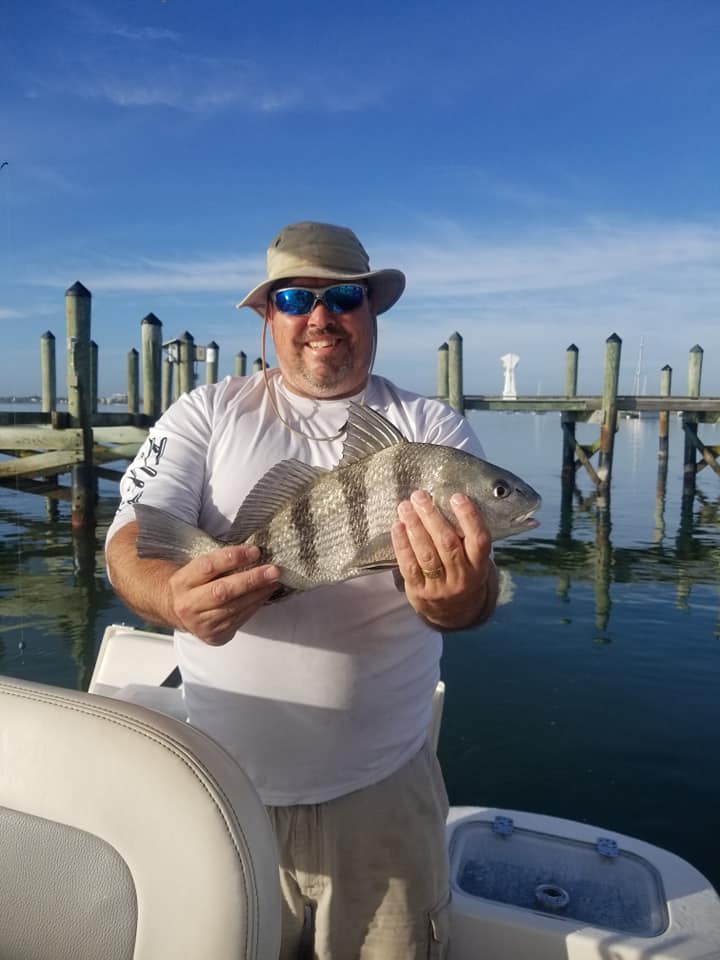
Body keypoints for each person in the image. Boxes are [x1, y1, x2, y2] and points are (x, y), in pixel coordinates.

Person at [105, 221, 499, 959]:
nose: (320, 316)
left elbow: (475, 597)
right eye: (294, 298)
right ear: (267, 316)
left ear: (371, 310)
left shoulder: (430, 428)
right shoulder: (206, 412)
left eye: (343, 297)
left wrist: (457, 600)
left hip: (383, 798)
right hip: (221, 793)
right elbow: (132, 538)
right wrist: (172, 597)